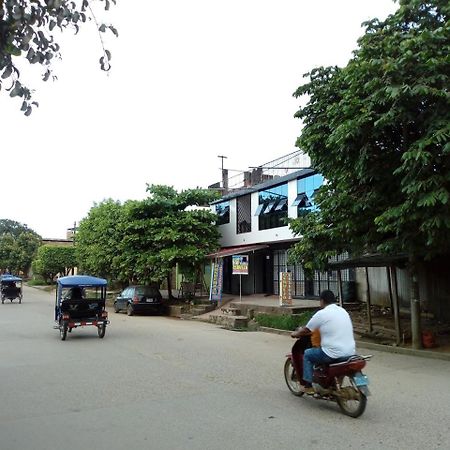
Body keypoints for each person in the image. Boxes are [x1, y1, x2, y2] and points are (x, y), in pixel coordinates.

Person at [291, 290, 355, 394]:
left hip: (332, 353)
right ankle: (333, 385)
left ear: (322, 301)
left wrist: (295, 334)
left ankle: (307, 385)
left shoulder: (321, 314)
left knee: (307, 354)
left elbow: (306, 330)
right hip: (350, 352)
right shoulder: (343, 311)